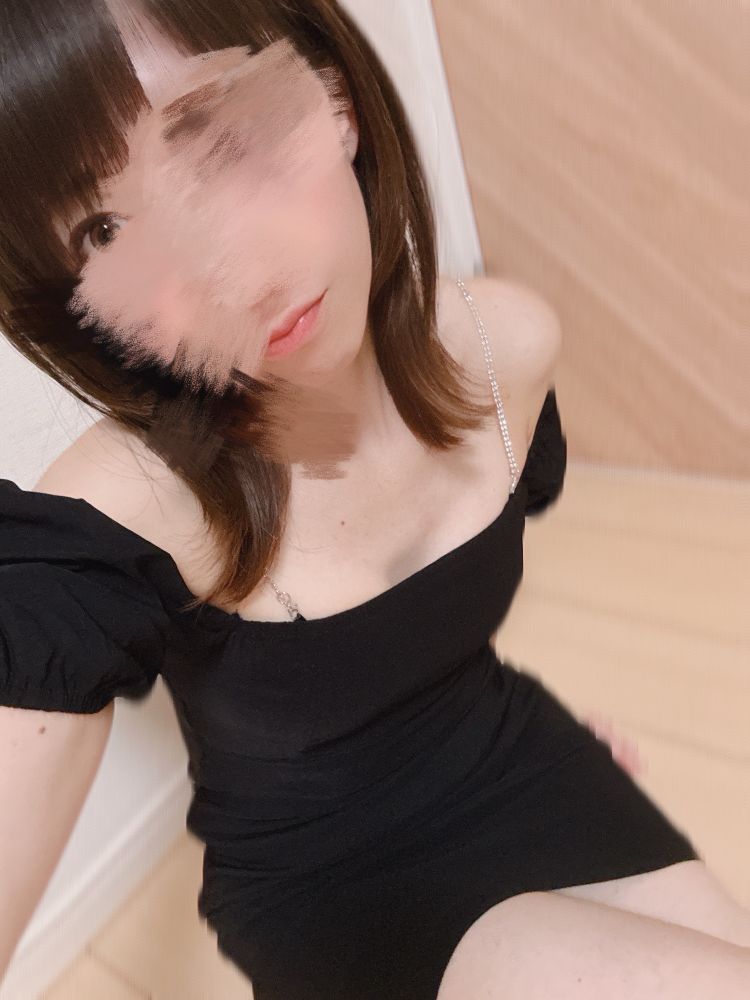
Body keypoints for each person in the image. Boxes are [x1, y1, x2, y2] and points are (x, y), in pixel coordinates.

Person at [2, 3, 748, 998]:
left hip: (515, 754)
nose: (220, 276)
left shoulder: (508, 348)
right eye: (103, 229)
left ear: (335, 98)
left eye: (215, 136)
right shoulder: (132, 506)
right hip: (328, 886)